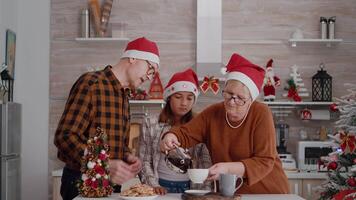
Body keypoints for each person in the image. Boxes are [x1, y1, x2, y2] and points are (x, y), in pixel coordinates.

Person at [160, 53, 289, 194]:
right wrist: (171, 136)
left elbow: (264, 161)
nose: (232, 102)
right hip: (230, 194)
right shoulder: (213, 112)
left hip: (267, 192)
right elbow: (186, 133)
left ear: (251, 100)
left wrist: (227, 169)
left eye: (240, 98)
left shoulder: (261, 113)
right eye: (229, 94)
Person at [54, 37, 160, 200]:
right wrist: (104, 164)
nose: (149, 77)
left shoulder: (124, 95)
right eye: (150, 69)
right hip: (81, 182)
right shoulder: (91, 83)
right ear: (133, 58)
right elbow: (65, 137)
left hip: (110, 184)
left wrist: (127, 157)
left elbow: (114, 146)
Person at [139, 68, 212, 194]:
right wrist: (153, 185)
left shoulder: (200, 125)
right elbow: (144, 160)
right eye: (178, 97)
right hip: (160, 185)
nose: (184, 103)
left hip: (191, 187)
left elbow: (205, 162)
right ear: (169, 98)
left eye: (189, 98)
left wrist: (204, 191)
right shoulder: (150, 123)